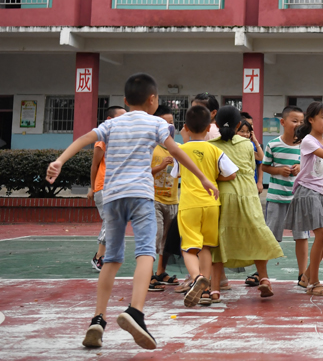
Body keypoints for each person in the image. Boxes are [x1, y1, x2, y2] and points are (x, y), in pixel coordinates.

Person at [46, 73, 214, 350]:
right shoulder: (157, 123)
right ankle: (135, 311)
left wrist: (59, 160)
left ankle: (97, 320)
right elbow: (177, 151)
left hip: (112, 197)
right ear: (153, 100)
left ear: (125, 101)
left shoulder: (112, 124)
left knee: (111, 258)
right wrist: (203, 178)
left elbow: (85, 139)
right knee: (146, 252)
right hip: (140, 195)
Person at [209, 106, 284, 302]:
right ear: (237, 125)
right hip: (247, 192)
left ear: (216, 124)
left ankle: (215, 289)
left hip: (223, 194)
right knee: (257, 233)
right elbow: (251, 166)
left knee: (217, 239)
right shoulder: (246, 144)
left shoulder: (211, 145)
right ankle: (265, 279)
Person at [171, 104, 239, 308]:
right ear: (209, 128)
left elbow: (176, 174)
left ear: (185, 128)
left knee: (189, 247)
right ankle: (207, 290)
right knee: (206, 247)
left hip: (189, 203)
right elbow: (232, 174)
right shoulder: (215, 149)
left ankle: (196, 278)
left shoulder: (180, 150)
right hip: (211, 203)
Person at [284, 102, 323, 296]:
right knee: (321, 236)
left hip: (320, 193)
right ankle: (314, 283)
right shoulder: (308, 141)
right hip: (307, 192)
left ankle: (306, 277)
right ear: (311, 120)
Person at [256, 105, 309, 288]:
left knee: (301, 237)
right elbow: (265, 167)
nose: (298, 125)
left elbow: (311, 168)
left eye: (301, 122)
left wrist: (301, 168)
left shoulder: (306, 145)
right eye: (294, 121)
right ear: (283, 122)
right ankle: (261, 274)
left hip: (299, 200)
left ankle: (303, 274)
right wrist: (279, 170)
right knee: (270, 237)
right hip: (277, 198)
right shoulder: (273, 144)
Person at [87, 105, 127, 272]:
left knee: (115, 222)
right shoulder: (103, 138)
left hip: (117, 186)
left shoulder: (122, 139)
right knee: (111, 221)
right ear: (110, 120)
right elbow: (95, 165)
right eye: (122, 117)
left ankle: (102, 255)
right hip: (103, 186)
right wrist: (92, 187)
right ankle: (99, 257)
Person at [149, 105, 180, 291]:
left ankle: (161, 272)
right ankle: (148, 275)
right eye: (165, 123)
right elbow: (142, 172)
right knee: (156, 237)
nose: (170, 126)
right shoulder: (150, 148)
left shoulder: (175, 148)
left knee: (167, 240)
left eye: (172, 123)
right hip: (154, 199)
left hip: (172, 200)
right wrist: (160, 166)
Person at [237, 119, 264, 194]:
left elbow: (261, 159)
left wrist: (259, 182)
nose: (245, 134)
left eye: (248, 132)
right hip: (237, 183)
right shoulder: (232, 145)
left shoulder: (251, 145)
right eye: (242, 131)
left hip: (251, 183)